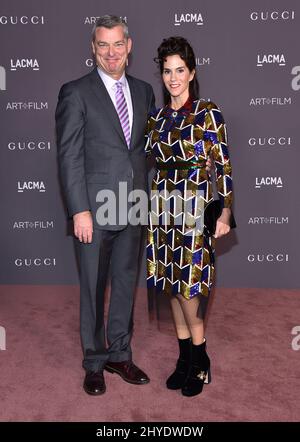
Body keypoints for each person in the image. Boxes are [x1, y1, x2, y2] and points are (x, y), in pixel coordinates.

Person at [55, 15, 155, 395]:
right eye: (103, 45)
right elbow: (69, 155)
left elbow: (146, 150)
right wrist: (79, 209)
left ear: (129, 46)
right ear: (93, 49)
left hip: (132, 205)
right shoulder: (75, 91)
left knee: (126, 284)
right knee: (94, 288)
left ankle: (119, 354)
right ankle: (94, 362)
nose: (111, 53)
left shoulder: (145, 91)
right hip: (94, 210)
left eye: (117, 45)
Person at [146, 37, 233, 396]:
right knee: (172, 286)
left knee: (190, 289)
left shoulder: (209, 113)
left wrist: (225, 210)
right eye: (167, 71)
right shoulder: (158, 118)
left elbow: (224, 166)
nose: (173, 77)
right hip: (164, 209)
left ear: (192, 72)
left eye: (180, 70)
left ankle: (201, 360)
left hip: (196, 210)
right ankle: (184, 360)